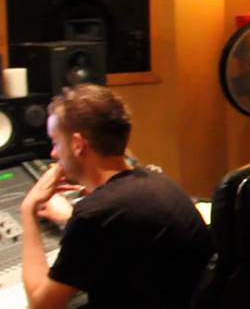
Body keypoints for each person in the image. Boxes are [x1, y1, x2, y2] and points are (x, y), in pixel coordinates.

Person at [20, 84, 214, 309]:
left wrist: (28, 210)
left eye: (55, 142)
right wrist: (71, 216)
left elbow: (40, 305)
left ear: (78, 144)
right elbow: (122, 225)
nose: (53, 153)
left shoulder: (96, 213)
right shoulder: (156, 182)